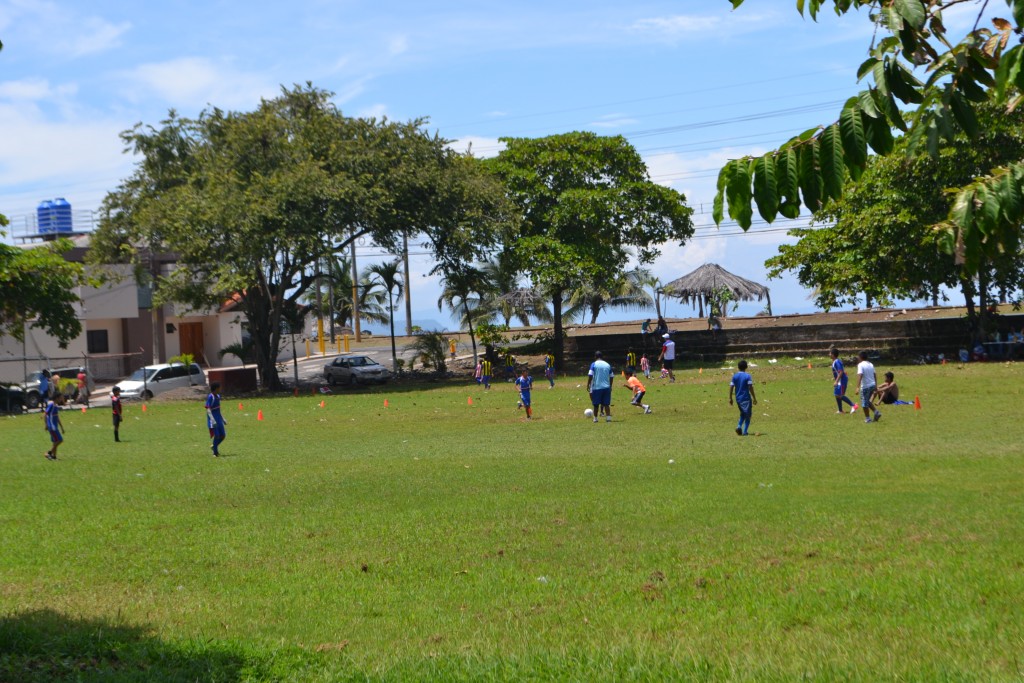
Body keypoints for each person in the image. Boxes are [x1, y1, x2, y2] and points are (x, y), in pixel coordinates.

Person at [728, 359, 757, 436]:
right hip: (746, 398)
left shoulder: (735, 376)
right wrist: (754, 398)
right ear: (746, 367)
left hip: (738, 399)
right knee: (748, 415)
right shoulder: (747, 376)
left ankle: (738, 426)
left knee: (743, 414)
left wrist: (730, 398)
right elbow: (750, 387)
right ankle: (745, 431)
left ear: (738, 367)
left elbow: (731, 386)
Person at [586, 351, 614, 423]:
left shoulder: (593, 364)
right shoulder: (607, 364)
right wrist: (610, 385)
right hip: (606, 387)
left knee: (596, 404)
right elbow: (611, 376)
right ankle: (608, 418)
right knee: (606, 404)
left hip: (597, 387)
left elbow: (590, 375)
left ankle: (595, 418)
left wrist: (588, 384)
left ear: (595, 357)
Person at [856, 350, 882, 423]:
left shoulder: (860, 365)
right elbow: (874, 375)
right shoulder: (871, 364)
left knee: (864, 403)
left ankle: (868, 418)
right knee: (867, 401)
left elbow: (860, 375)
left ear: (860, 357)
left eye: (858, 356)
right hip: (872, 385)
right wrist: (876, 385)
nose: (857, 358)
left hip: (865, 386)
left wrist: (857, 387)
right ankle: (876, 412)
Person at [829, 347, 856, 414]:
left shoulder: (837, 362)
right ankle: (840, 410)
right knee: (837, 394)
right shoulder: (835, 361)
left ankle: (853, 405)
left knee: (839, 395)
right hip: (840, 380)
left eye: (830, 353)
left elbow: (841, 372)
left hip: (841, 381)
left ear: (833, 354)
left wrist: (836, 381)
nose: (829, 354)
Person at [206, 381, 227, 456]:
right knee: (217, 435)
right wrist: (212, 419)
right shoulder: (210, 397)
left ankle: (214, 446)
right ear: (216, 389)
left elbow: (218, 409)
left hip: (218, 418)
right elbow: (208, 409)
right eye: (219, 388)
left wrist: (223, 418)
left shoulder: (218, 396)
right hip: (213, 419)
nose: (220, 389)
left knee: (223, 435)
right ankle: (215, 453)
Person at [43, 393, 65, 460]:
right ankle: (49, 453)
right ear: (57, 398)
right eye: (60, 397)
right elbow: (45, 414)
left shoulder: (55, 406)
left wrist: (61, 427)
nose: (61, 399)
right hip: (52, 427)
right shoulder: (51, 405)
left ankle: (54, 457)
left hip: (55, 427)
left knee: (55, 442)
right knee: (60, 440)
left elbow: (57, 417)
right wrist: (46, 424)